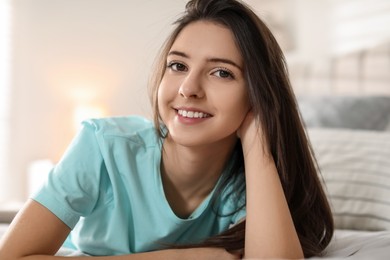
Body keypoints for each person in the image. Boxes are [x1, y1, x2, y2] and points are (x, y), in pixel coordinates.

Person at [0, 0, 334, 259]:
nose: (188, 88)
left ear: (257, 97)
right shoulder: (103, 145)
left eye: (221, 73)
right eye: (178, 65)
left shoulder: (249, 185)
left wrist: (258, 143)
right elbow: (12, 255)